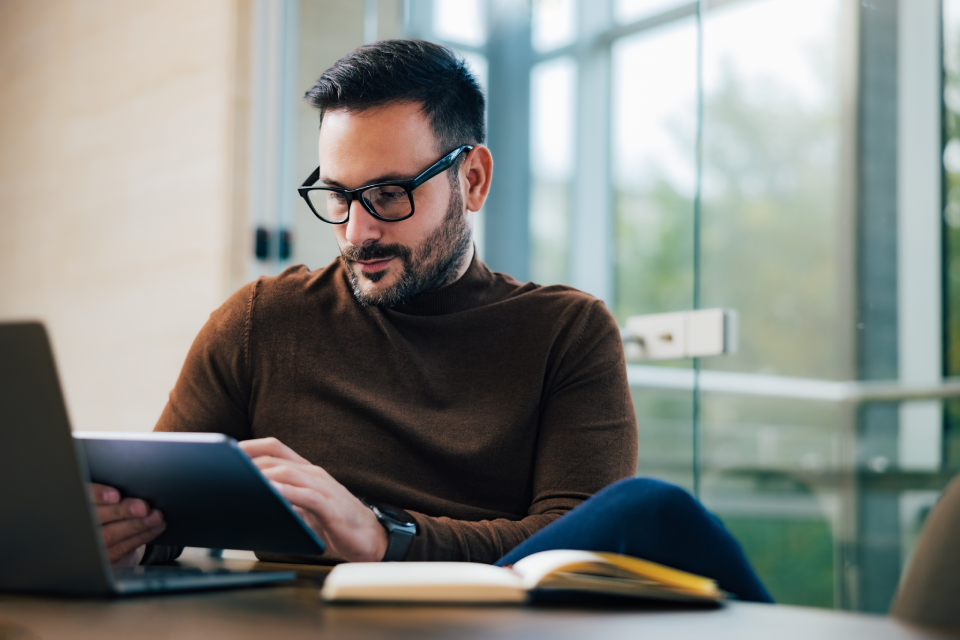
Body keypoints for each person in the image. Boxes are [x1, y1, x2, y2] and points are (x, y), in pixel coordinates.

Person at [89, 39, 772, 603]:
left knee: (647, 512)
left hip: (497, 622)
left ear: (472, 180)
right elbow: (162, 506)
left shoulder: (569, 331)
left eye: (388, 194)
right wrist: (126, 528)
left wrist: (386, 538)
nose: (357, 232)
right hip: (311, 626)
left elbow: (576, 543)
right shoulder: (260, 322)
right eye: (338, 196)